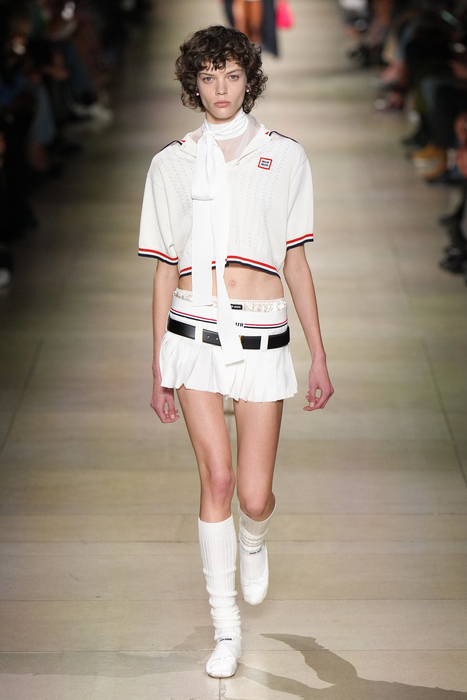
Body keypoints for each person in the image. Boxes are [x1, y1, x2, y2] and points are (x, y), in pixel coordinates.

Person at [138, 25, 334, 679]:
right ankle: (226, 631)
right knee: (216, 480)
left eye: (231, 75)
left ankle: (255, 536)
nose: (220, 88)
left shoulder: (286, 156)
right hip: (192, 328)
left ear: (249, 80)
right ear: (192, 85)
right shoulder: (170, 163)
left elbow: (296, 262)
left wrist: (319, 355)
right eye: (208, 77)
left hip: (263, 330)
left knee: (252, 495)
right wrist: (158, 366)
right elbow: (163, 269)